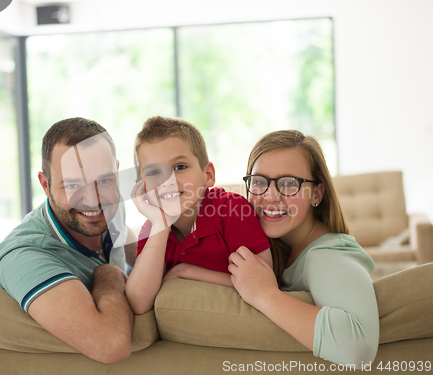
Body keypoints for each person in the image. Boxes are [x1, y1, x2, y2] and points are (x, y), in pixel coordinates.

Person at [228, 130, 379, 367]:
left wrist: (264, 294)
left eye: (289, 183)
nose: (270, 196)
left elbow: (358, 348)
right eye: (259, 181)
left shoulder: (327, 256)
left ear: (317, 194)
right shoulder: (277, 249)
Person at [0, 117, 133, 364]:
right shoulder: (22, 255)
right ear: (45, 185)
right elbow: (111, 345)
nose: (93, 200)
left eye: (105, 180)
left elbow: (126, 237)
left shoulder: (111, 206)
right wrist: (108, 274)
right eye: (73, 185)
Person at [126, 116, 274, 315]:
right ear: (141, 185)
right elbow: (138, 302)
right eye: (153, 173)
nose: (167, 181)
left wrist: (185, 271)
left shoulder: (233, 210)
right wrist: (160, 225)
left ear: (208, 175)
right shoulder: (153, 227)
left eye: (179, 167)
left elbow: (265, 282)